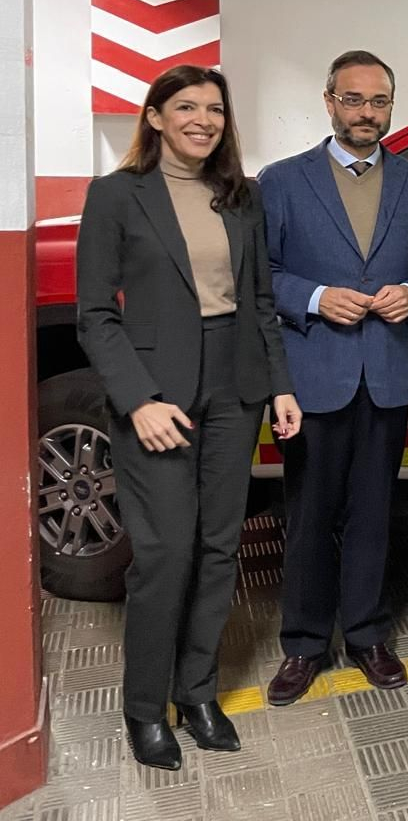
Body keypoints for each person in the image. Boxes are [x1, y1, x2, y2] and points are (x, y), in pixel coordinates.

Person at [76, 66, 302, 769]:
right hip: (157, 391)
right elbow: (93, 314)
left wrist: (281, 387)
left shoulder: (242, 195)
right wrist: (138, 400)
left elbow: (260, 301)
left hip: (235, 386)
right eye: (186, 107)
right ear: (155, 117)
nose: (203, 119)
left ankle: (197, 692)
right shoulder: (116, 196)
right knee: (165, 552)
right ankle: (146, 707)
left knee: (218, 548)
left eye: (213, 108)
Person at [259, 51, 408, 705]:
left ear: (391, 107)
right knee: (310, 514)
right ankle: (305, 644)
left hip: (386, 375)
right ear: (329, 101)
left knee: (373, 513)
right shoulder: (282, 182)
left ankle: (367, 634)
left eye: (378, 102)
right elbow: (262, 275)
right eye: (353, 99)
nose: (366, 113)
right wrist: (315, 298)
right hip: (315, 373)